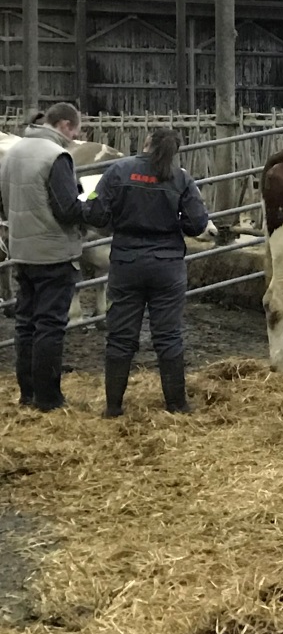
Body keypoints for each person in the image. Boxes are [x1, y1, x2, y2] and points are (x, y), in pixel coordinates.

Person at [82, 128, 210, 417]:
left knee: (120, 336)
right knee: (168, 336)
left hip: (127, 262)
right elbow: (197, 224)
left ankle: (113, 407)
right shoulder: (181, 178)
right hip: (167, 265)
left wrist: (116, 219)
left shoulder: (118, 171)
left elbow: (95, 213)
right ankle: (177, 405)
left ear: (146, 143)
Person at [0, 103, 86, 411]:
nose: (76, 137)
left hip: (22, 251)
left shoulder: (14, 152)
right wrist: (89, 206)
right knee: (50, 325)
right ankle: (49, 398)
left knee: (26, 323)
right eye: (75, 130)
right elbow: (67, 209)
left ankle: (27, 393)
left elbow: (3, 202)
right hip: (53, 252)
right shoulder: (56, 157)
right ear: (64, 125)